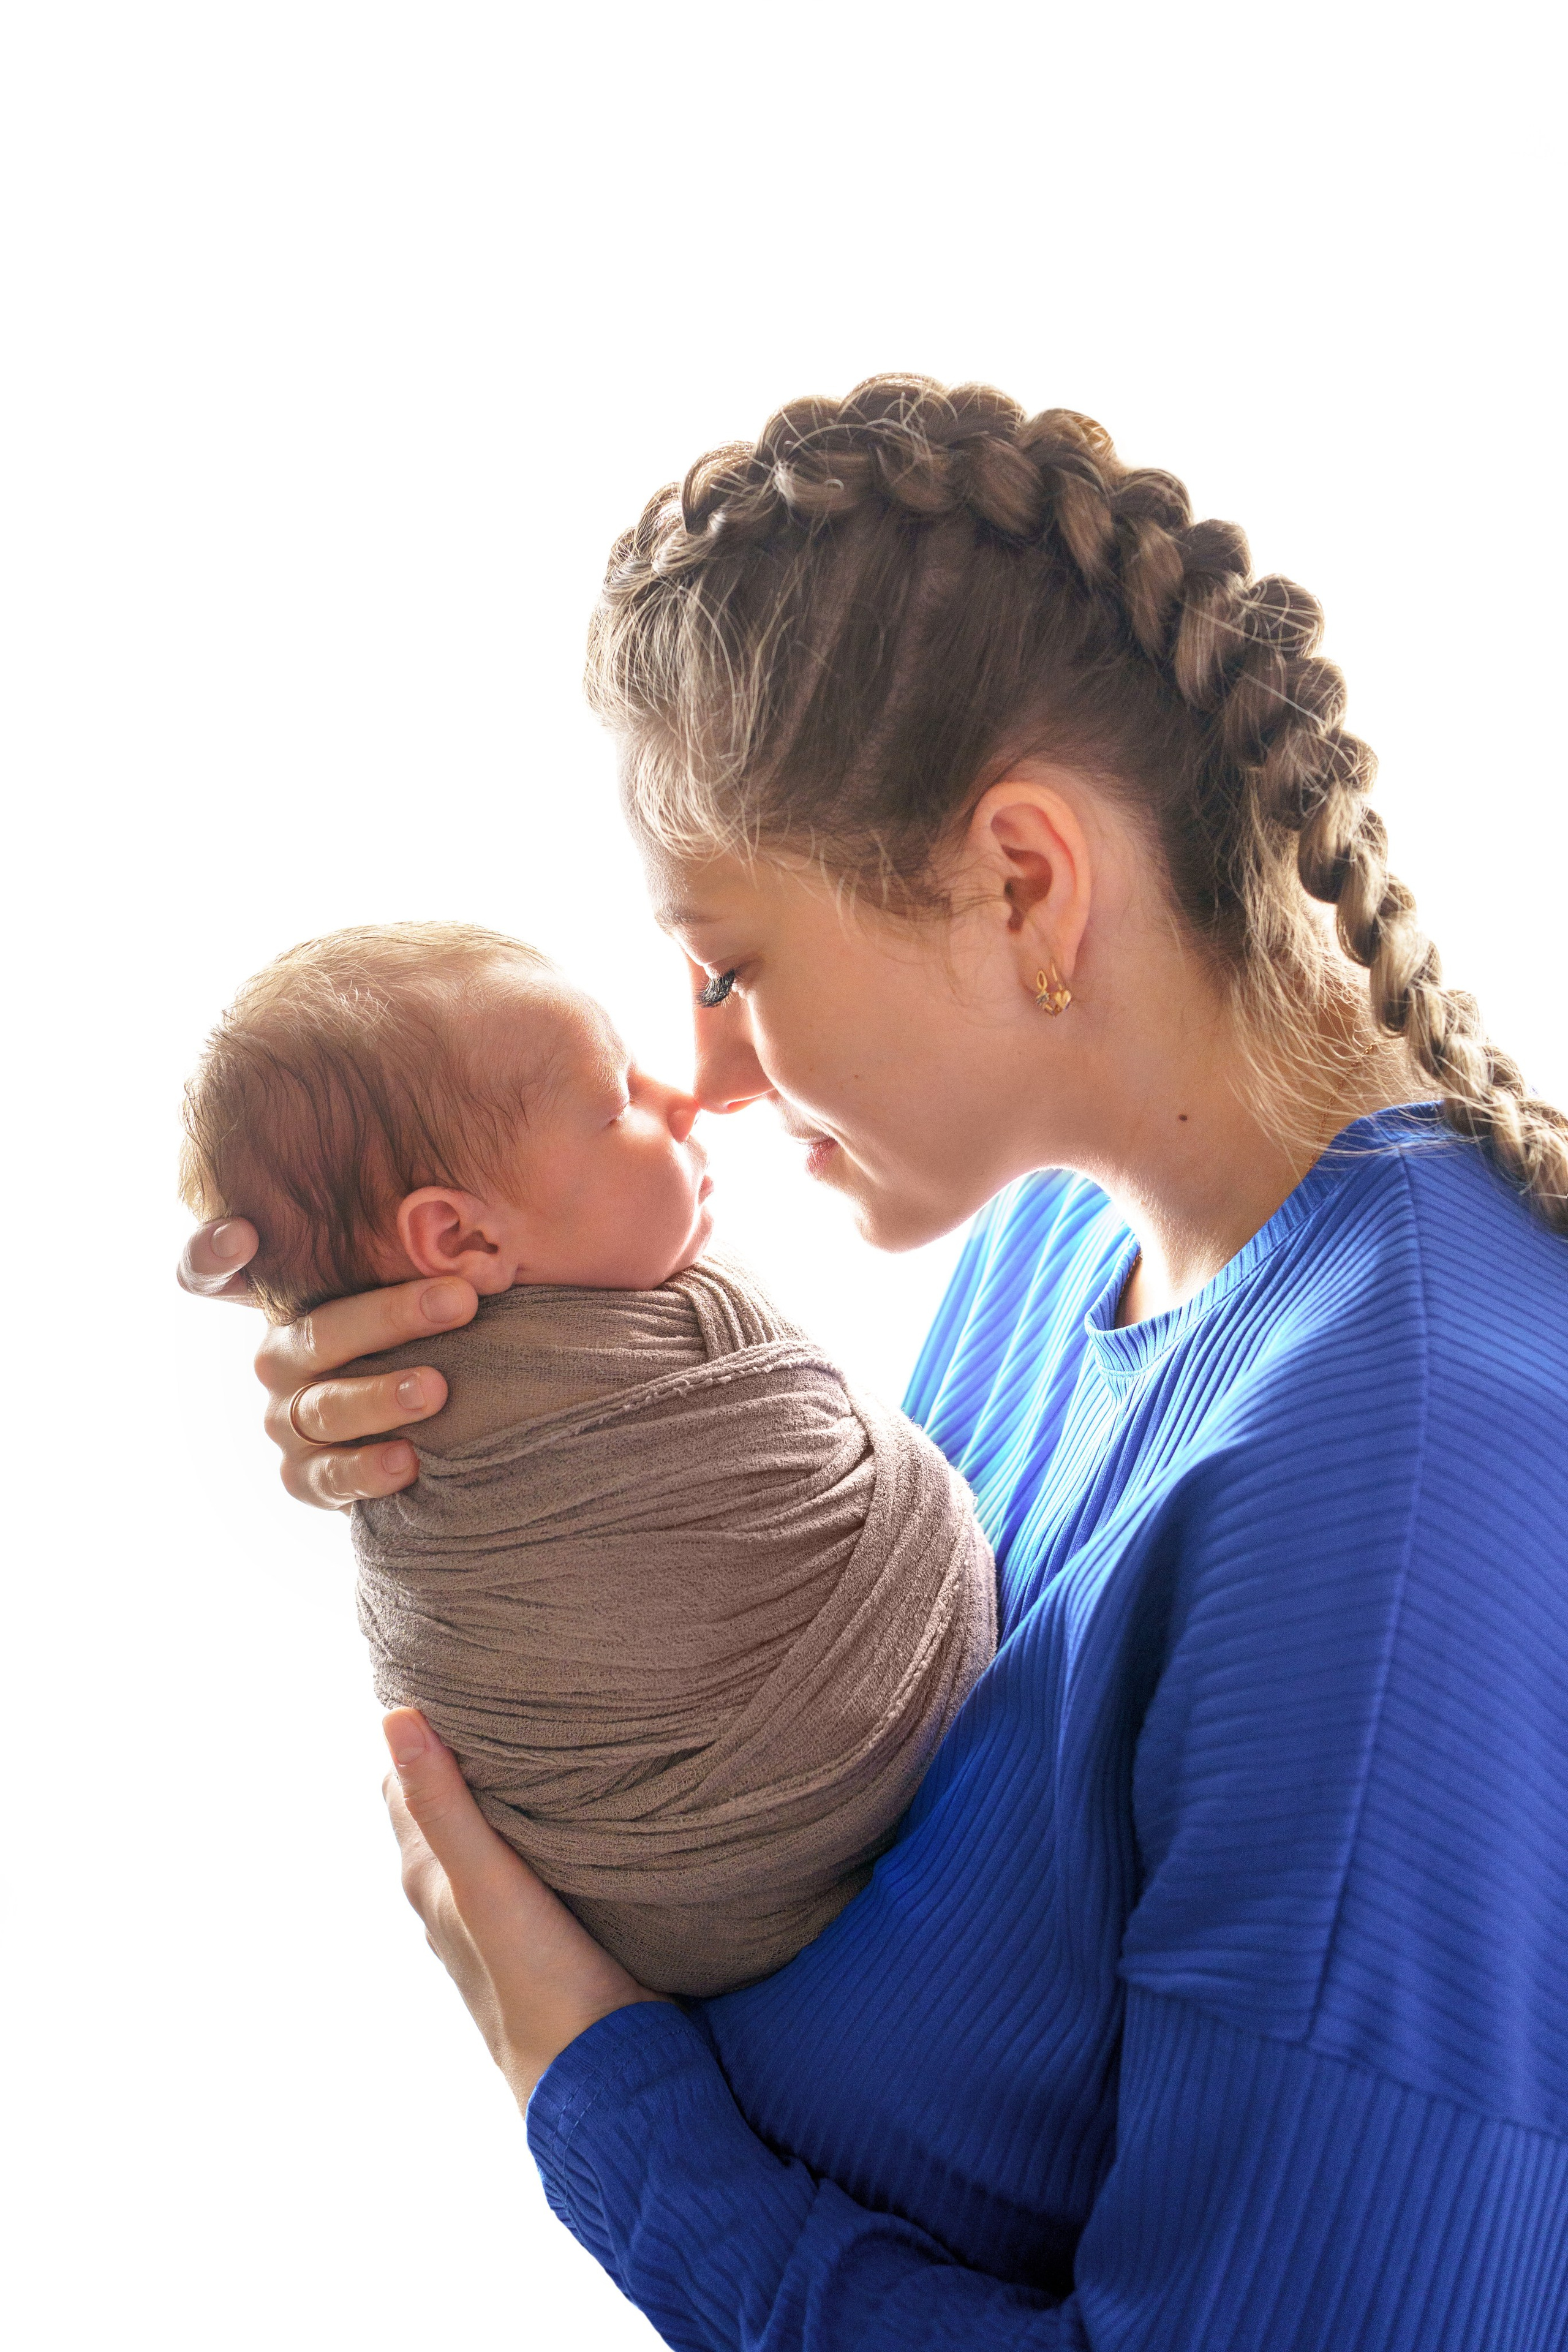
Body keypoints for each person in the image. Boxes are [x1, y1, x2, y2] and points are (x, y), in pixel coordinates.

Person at [181, 377, 1568, 2348]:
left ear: (1025, 882)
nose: (707, 1069)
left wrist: (598, 2096)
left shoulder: (1415, 1489)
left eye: (731, 965)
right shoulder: (1055, 1234)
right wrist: (488, 1427)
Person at [177, 919, 993, 1995]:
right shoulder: (435, 1421)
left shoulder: (639, 1336)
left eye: (737, 965)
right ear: (460, 1241)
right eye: (616, 1104)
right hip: (719, 1857)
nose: (688, 1095)